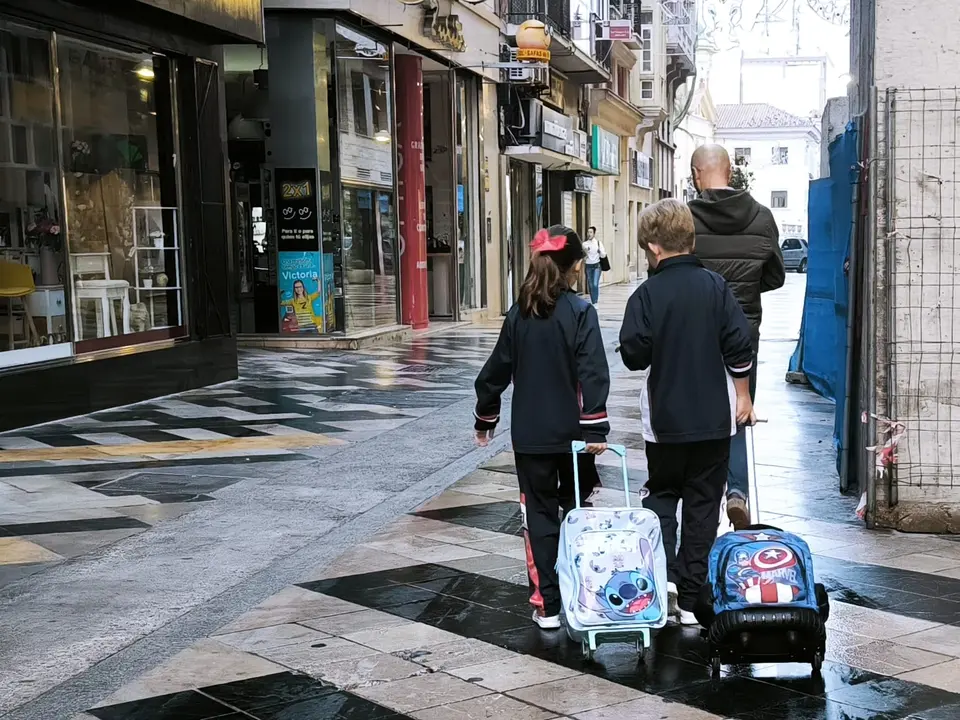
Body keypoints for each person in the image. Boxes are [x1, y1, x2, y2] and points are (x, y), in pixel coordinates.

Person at [619, 198, 755, 626]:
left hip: (664, 422)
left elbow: (633, 355)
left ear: (654, 248)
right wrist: (744, 397)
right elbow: (739, 344)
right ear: (690, 240)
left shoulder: (646, 294)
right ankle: (693, 592)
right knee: (703, 503)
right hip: (715, 420)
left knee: (662, 495)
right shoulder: (715, 286)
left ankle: (666, 580)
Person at [474, 225, 610, 630]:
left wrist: (486, 417)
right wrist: (595, 429)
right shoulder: (581, 312)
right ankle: (582, 595)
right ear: (573, 268)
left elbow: (495, 370)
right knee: (576, 512)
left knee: (539, 516)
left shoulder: (519, 313)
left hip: (530, 435)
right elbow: (594, 372)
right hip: (572, 436)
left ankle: (547, 604)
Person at [689, 144, 785, 529]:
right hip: (744, 333)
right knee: (738, 413)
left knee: (696, 416)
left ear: (697, 175)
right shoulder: (762, 217)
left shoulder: (685, 219)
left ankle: (701, 500)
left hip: (693, 334)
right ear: (730, 172)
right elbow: (776, 276)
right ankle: (738, 491)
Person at [582, 226, 607, 305]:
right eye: (588, 232)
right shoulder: (584, 244)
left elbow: (604, 255)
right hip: (588, 266)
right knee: (590, 285)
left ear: (594, 234)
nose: (589, 234)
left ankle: (595, 302)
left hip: (597, 266)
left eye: (590, 232)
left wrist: (600, 252)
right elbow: (582, 256)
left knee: (595, 284)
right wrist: (585, 253)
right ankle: (593, 301)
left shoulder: (598, 243)